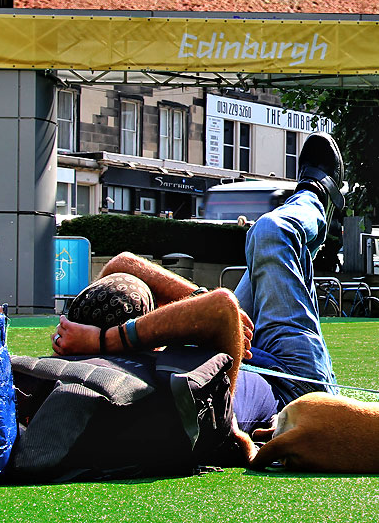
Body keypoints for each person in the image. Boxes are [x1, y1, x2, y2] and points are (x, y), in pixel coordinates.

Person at [53, 131, 346, 435]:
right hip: (297, 391)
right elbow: (221, 309)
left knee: (267, 248)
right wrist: (108, 340)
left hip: (243, 347)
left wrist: (97, 338)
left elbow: (122, 263)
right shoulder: (142, 389)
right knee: (271, 233)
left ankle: (307, 241)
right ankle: (315, 195)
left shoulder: (106, 357)